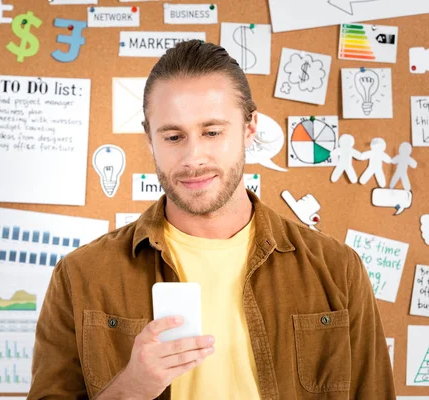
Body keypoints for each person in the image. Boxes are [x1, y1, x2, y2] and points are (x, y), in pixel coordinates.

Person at [27, 40, 396, 399]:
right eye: (173, 136)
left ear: (250, 128)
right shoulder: (81, 277)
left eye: (212, 132)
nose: (193, 157)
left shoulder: (337, 269)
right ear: (149, 139)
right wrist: (131, 390)